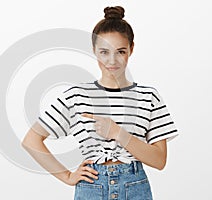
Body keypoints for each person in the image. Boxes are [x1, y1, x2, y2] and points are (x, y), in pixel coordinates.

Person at [22, 6, 178, 200]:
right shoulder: (77, 96)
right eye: (104, 52)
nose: (112, 60)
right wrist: (67, 176)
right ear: (94, 51)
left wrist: (117, 133)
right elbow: (31, 140)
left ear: (131, 49)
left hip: (135, 187)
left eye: (120, 51)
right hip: (91, 187)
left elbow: (159, 160)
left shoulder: (148, 97)